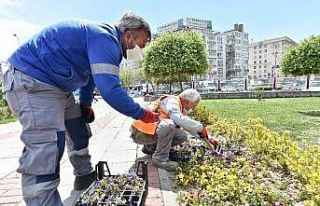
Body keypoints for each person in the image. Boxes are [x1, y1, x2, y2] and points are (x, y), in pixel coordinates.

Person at [2, 12, 159, 206]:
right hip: (32, 80)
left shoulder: (105, 41)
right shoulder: (105, 39)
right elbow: (110, 90)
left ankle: (84, 175)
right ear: (128, 35)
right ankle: (42, 201)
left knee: (78, 128)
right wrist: (143, 114)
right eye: (140, 45)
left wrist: (85, 103)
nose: (140, 51)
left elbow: (91, 77)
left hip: (57, 85)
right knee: (47, 146)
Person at [130, 89, 218, 171]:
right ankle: (160, 159)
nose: (193, 109)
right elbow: (179, 119)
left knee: (181, 136)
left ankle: (150, 148)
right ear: (186, 101)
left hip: (146, 133)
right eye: (193, 105)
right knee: (168, 125)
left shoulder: (179, 106)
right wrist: (200, 127)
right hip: (139, 133)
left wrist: (208, 138)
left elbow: (189, 127)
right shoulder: (172, 101)